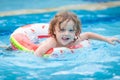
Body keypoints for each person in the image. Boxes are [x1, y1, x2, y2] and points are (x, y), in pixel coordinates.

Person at [34, 11, 120, 57]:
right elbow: (37, 54)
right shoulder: (52, 42)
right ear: (54, 31)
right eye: (62, 30)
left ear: (76, 32)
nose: (67, 33)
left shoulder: (74, 41)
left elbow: (88, 35)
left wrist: (106, 39)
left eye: (71, 30)